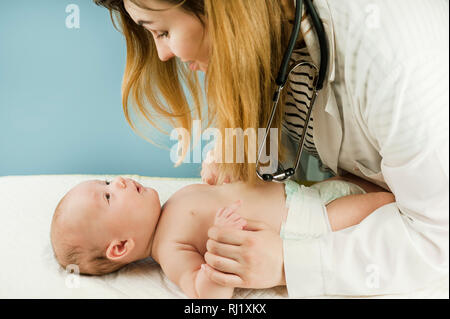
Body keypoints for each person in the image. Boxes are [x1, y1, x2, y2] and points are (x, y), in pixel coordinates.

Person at [93, 0, 449, 296]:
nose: (163, 53)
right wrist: (236, 148)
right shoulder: (274, 37)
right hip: (330, 201)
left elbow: (439, 240)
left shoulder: (397, 64)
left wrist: (286, 261)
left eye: (163, 31)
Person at [50, 174, 394, 298]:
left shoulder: (173, 202)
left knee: (369, 184)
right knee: (386, 204)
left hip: (303, 193)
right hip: (306, 224)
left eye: (107, 181)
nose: (119, 183)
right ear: (121, 246)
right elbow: (206, 294)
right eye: (109, 196)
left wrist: (223, 177)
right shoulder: (169, 249)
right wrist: (221, 246)